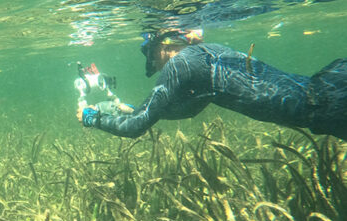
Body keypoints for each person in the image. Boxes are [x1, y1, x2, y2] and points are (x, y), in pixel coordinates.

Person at [77, 28, 347, 140]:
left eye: (150, 53)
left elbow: (137, 128)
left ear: (162, 46)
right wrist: (133, 109)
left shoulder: (179, 64)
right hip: (330, 88)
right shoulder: (204, 53)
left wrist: (92, 117)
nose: (153, 63)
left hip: (329, 107)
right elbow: (189, 109)